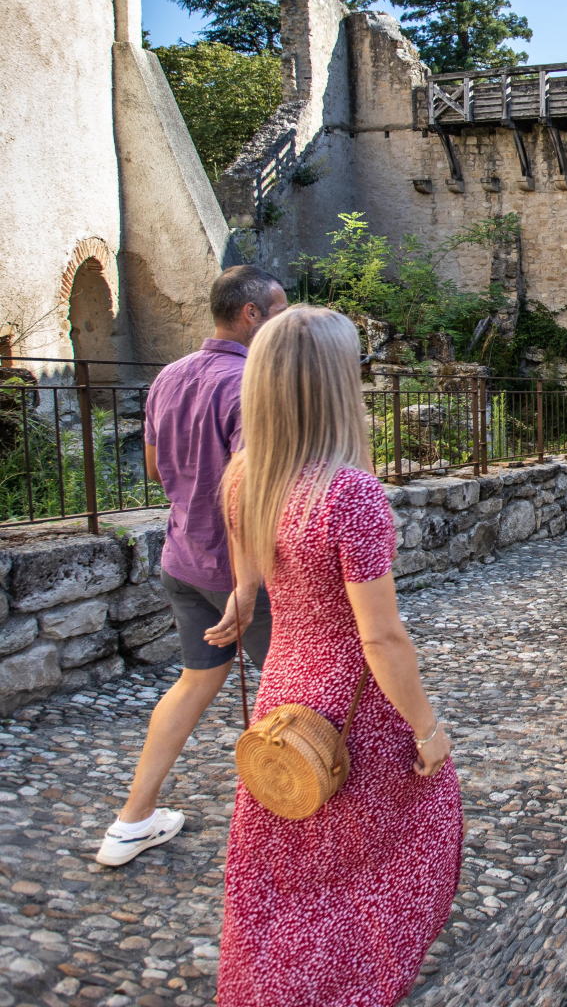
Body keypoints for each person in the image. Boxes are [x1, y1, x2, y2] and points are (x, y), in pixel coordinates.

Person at [211, 305, 461, 1007]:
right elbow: (380, 637)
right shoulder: (349, 496)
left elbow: (249, 579)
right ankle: (350, 981)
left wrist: (238, 606)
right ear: (334, 384)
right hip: (353, 702)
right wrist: (426, 729)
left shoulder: (243, 476)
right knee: (408, 829)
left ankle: (274, 982)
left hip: (283, 690)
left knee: (289, 851)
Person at [95, 266, 288, 866]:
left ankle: (131, 821)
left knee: (194, 682)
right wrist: (247, 585)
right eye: (280, 310)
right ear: (252, 314)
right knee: (297, 698)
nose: (286, 321)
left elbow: (155, 469)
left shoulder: (169, 377)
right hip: (237, 572)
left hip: (181, 559)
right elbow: (247, 493)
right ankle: (294, 839)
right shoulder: (251, 383)